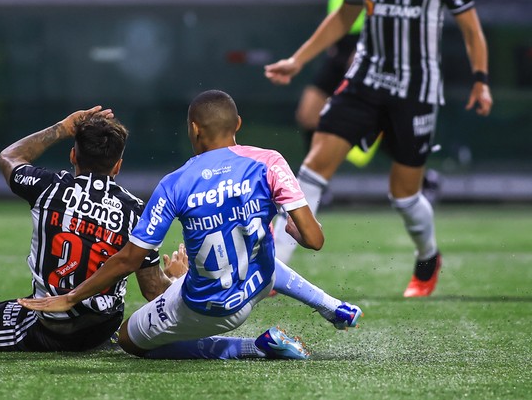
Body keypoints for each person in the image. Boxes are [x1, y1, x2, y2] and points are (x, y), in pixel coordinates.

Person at [264, 0, 493, 297]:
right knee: (314, 167)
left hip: (416, 89)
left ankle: (428, 256)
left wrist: (481, 79)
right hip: (365, 79)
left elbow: (471, 27)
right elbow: (342, 18)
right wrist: (298, 60)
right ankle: (274, 271)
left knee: (404, 196)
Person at [20, 90, 361, 360]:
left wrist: (72, 296)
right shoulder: (270, 161)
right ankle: (334, 307)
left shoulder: (176, 183)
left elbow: (129, 259)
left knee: (129, 340)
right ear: (238, 124)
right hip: (255, 285)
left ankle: (253, 348)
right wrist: (294, 230)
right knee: (263, 255)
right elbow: (314, 239)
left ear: (194, 129)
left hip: (209, 309)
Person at [0, 107, 188, 351]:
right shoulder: (135, 211)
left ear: (73, 156)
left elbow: (8, 157)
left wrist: (62, 128)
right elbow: (153, 290)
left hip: (47, 326)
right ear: (117, 166)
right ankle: (108, 338)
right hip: (101, 328)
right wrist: (177, 279)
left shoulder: (47, 188)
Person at [293, 0, 375, 153]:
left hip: (365, 48)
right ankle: (315, 184)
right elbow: (339, 13)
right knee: (308, 113)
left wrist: (366, 46)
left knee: (366, 121)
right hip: (340, 47)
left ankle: (419, 177)